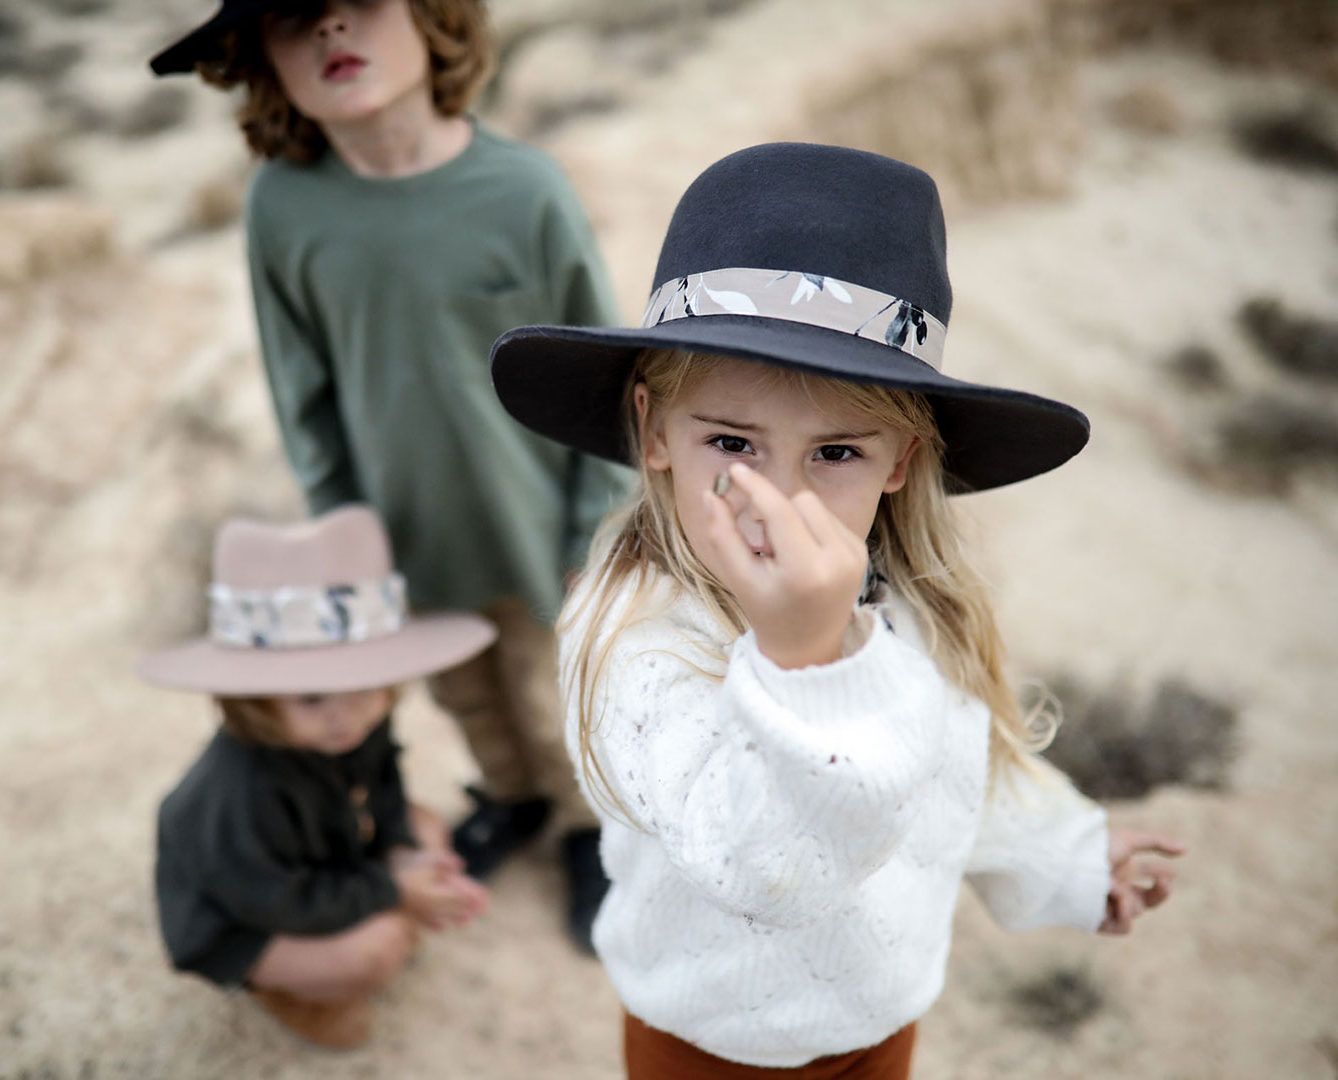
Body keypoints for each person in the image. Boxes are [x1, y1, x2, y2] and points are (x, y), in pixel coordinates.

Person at [486, 142, 1187, 1078]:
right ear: (655, 431)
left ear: (900, 458)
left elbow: (954, 768)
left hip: (879, 1010)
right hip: (709, 1040)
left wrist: (1066, 856)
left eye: (838, 453)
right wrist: (804, 661)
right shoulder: (632, 637)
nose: (779, 498)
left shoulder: (910, 605)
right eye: (732, 440)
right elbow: (768, 871)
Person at [149, 0, 634, 950]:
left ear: (433, 18)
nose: (332, 31)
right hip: (399, 536)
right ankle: (514, 798)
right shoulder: (283, 207)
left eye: (360, 3)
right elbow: (306, 397)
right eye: (295, 21)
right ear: (261, 65)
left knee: (555, 692)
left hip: (538, 527)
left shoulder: (525, 190)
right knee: (463, 692)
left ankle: (587, 829)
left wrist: (591, 527)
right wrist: (346, 543)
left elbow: (604, 375)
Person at [140, 506, 493, 1049]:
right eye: (311, 697)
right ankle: (285, 989)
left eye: (363, 685)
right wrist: (392, 887)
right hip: (249, 908)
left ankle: (373, 913)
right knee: (377, 949)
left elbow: (385, 791)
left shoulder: (352, 728)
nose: (345, 716)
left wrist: (401, 851)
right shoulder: (239, 792)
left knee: (427, 831)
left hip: (326, 855)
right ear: (254, 699)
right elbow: (274, 900)